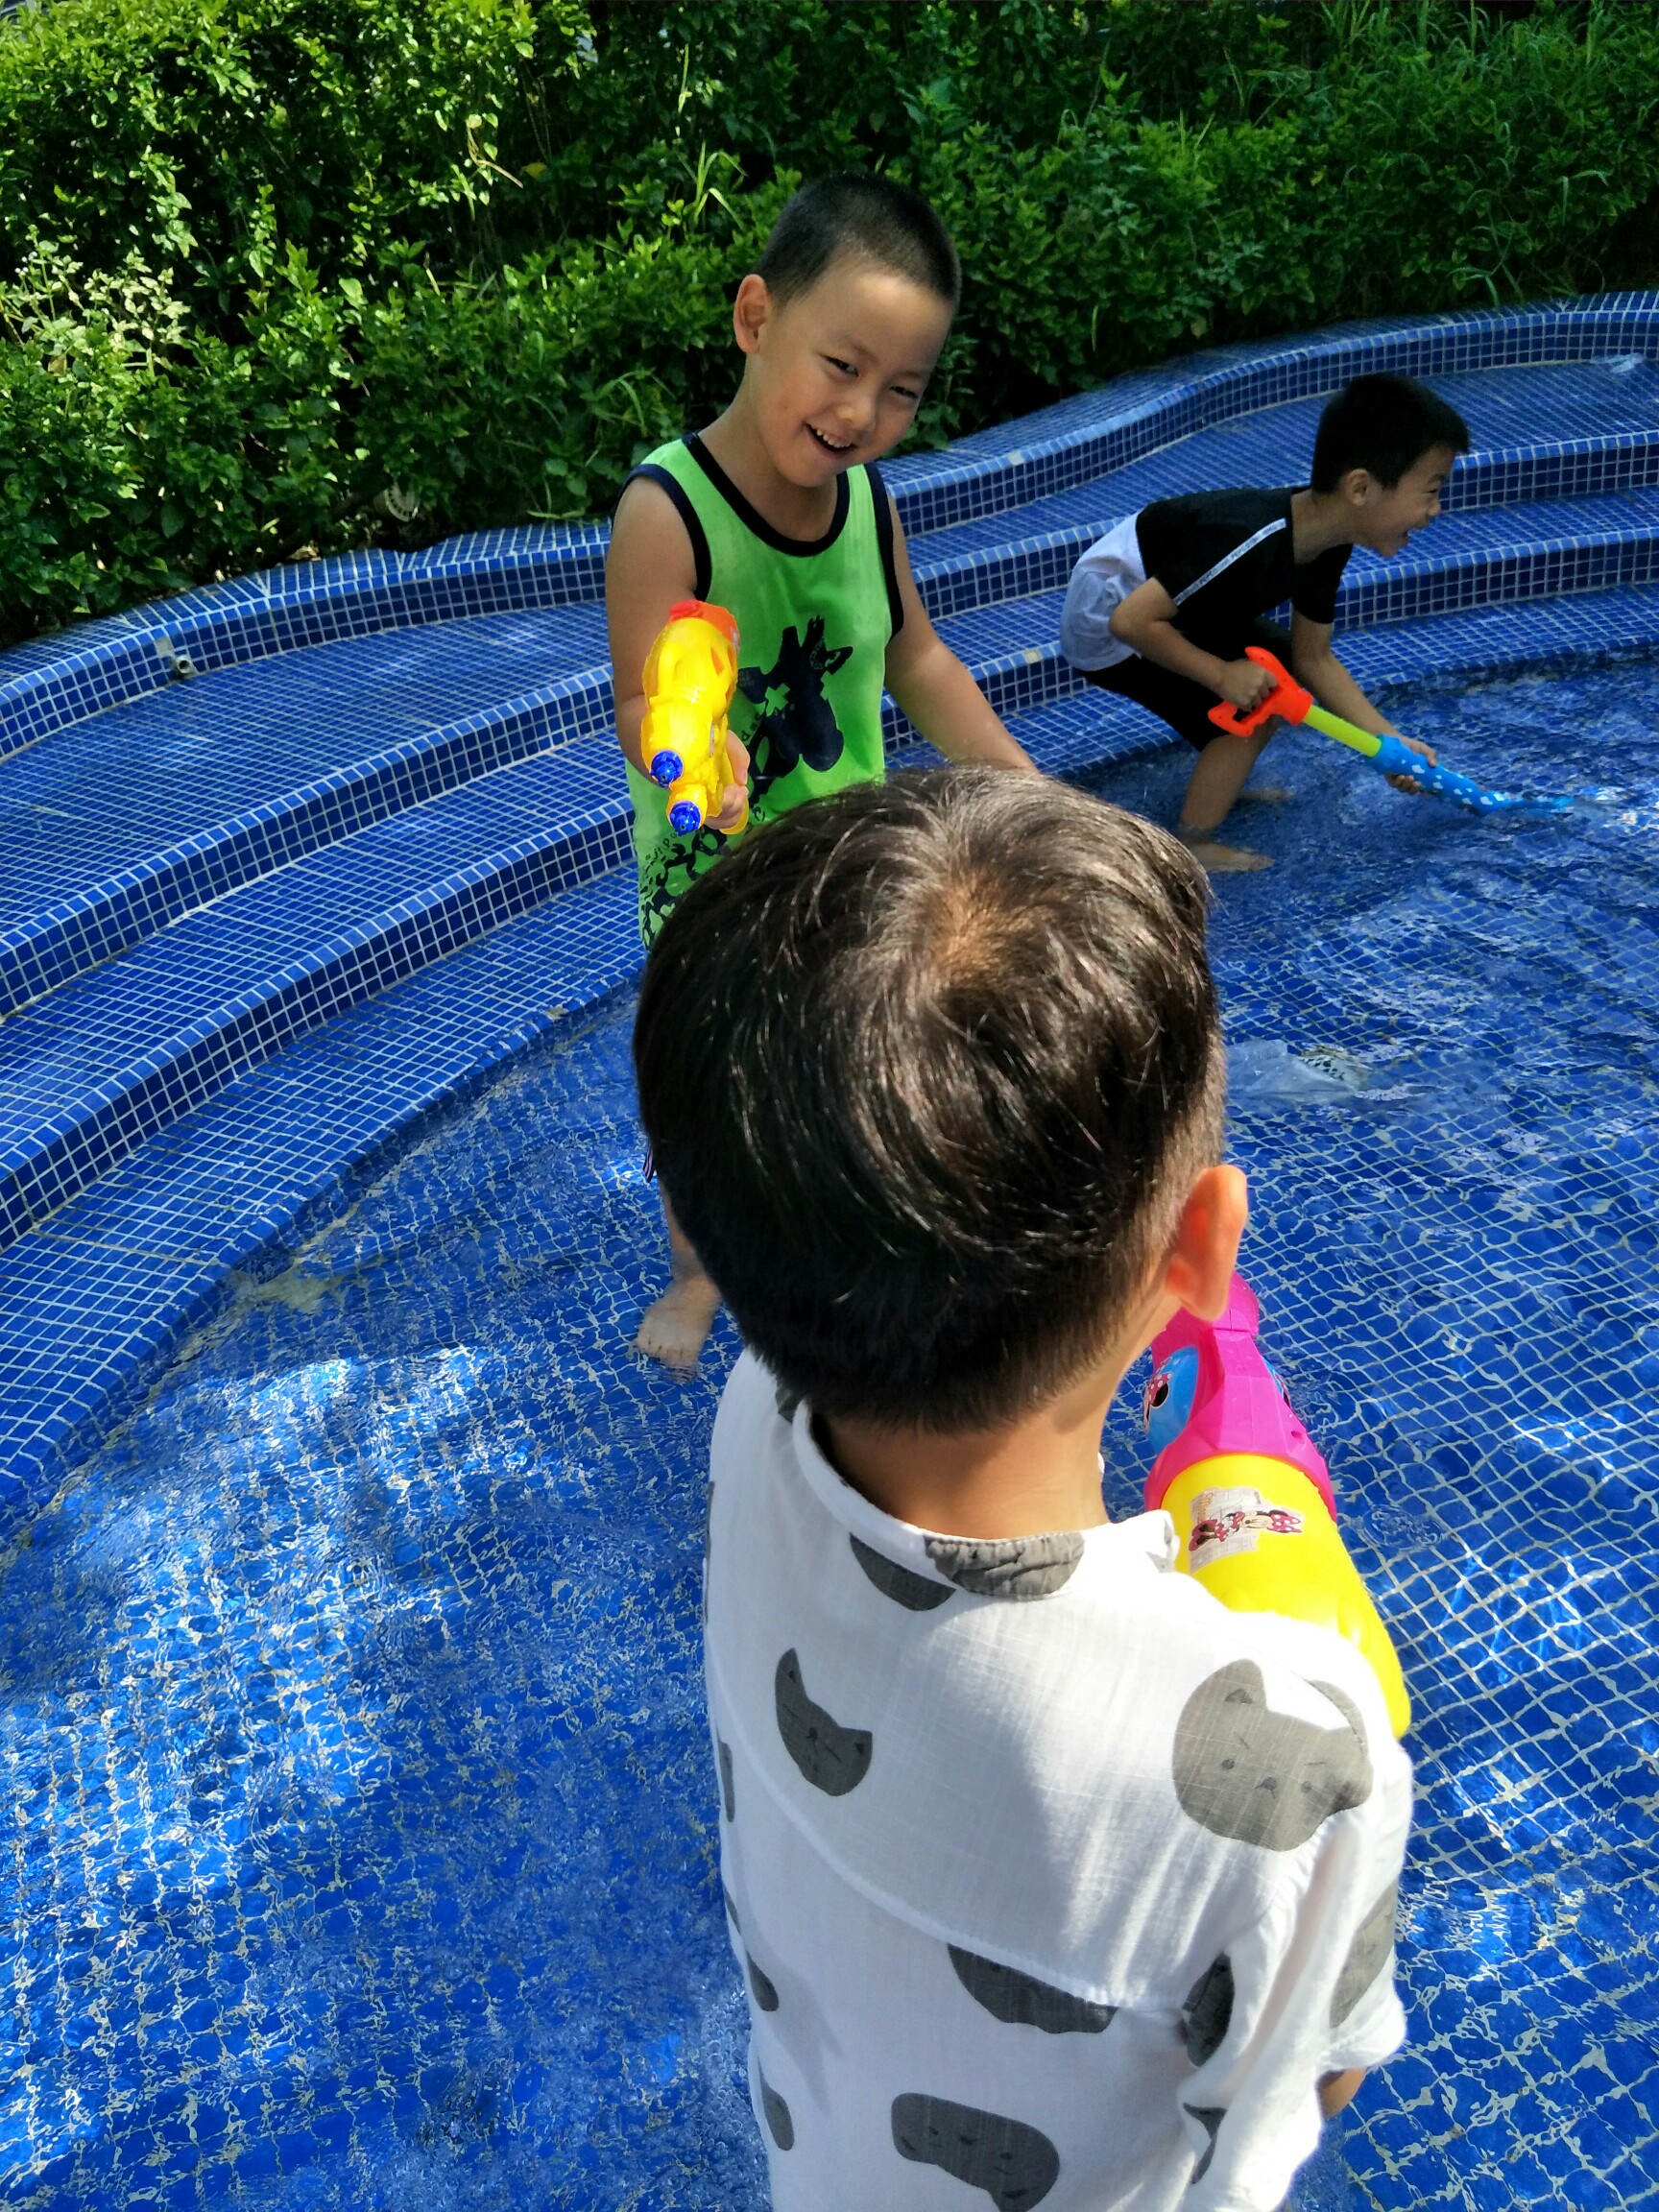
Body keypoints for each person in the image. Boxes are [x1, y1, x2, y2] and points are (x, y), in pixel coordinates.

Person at [634, 769, 1414, 2212]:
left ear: (695, 1223)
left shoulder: (758, 1427)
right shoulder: (1285, 1763)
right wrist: (1277, 1640)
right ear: (1205, 1252)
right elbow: (1307, 2078)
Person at [608, 170, 1034, 1371]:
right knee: (706, 1098)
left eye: (901, 390)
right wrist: (688, 746)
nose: (862, 414)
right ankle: (698, 1273)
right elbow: (641, 699)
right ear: (757, 318)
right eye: (841, 366)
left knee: (854, 1064)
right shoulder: (670, 512)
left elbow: (918, 658)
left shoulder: (865, 504)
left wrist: (1028, 790)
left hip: (847, 861)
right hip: (715, 875)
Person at [1060, 373, 1472, 871]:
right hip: (1107, 623)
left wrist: (1390, 744)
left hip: (1172, 611)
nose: (1436, 509)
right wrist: (1221, 675)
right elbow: (1130, 621)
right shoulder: (1250, 538)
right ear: (1360, 487)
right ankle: (1192, 842)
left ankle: (1221, 781)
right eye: (1431, 491)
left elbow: (1314, 658)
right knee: (1252, 704)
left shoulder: (1327, 543)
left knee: (1277, 671)